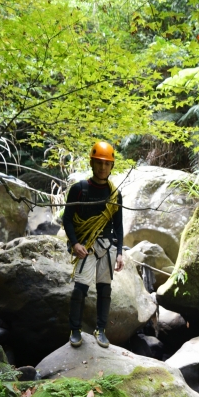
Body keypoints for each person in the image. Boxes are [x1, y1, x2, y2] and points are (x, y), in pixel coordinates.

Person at [64, 141, 124, 349]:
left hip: (107, 247)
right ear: (92, 163)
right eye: (99, 163)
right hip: (86, 246)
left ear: (112, 166)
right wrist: (75, 243)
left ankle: (101, 330)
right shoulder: (79, 190)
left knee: (104, 290)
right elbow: (68, 219)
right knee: (80, 289)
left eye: (107, 164)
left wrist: (120, 253)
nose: (102, 168)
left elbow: (118, 225)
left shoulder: (115, 195)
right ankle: (75, 329)